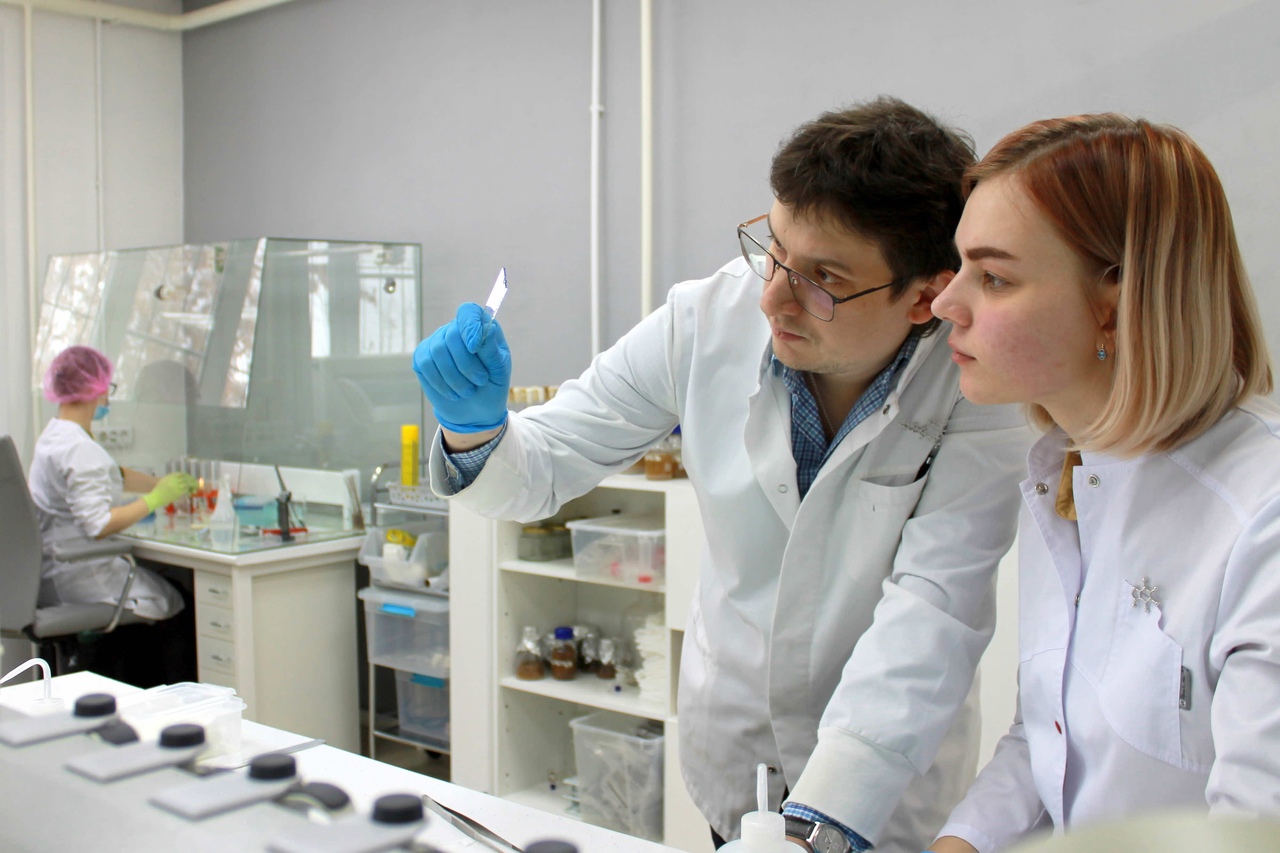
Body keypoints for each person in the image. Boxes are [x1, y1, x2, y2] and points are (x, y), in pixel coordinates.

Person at [414, 98, 1032, 853]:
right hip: (737, 759)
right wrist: (475, 428)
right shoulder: (703, 320)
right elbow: (543, 466)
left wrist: (826, 821)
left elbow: (933, 610)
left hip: (886, 786)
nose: (772, 297)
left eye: (823, 277)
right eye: (774, 249)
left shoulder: (977, 384)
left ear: (924, 296)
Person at [927, 114, 1280, 852]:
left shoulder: (1260, 516)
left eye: (994, 277)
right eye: (960, 267)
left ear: (1115, 307)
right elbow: (1050, 735)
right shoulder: (1066, 472)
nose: (944, 304)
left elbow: (1254, 831)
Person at [29, 345, 198, 682]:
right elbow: (99, 525)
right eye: (108, 388)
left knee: (164, 587)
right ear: (96, 390)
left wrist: (157, 484)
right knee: (179, 600)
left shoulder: (54, 437)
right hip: (84, 576)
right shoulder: (80, 449)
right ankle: (169, 696)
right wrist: (157, 498)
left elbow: (111, 474)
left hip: (52, 574)